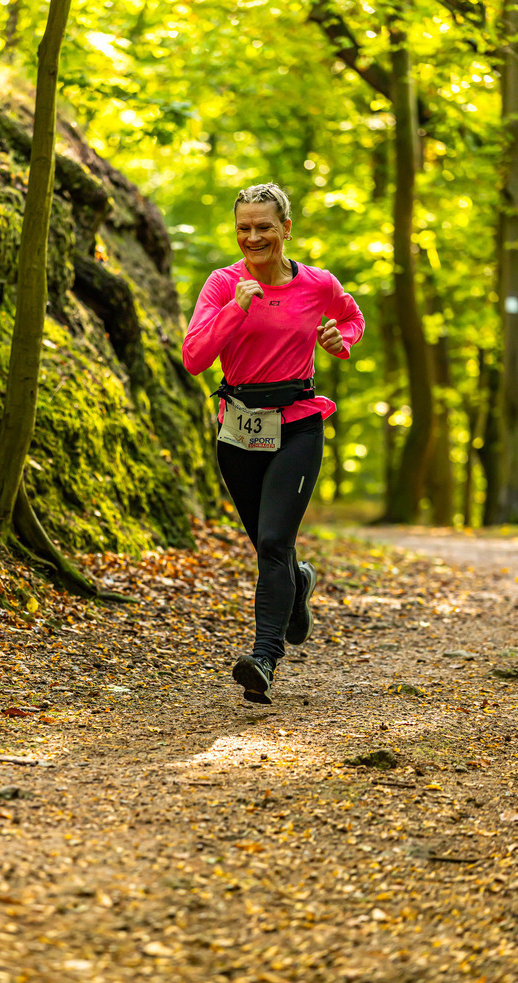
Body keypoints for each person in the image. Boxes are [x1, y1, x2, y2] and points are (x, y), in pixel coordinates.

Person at [183, 182, 364, 705]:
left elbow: (351, 318)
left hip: (297, 424)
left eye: (264, 227)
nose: (253, 237)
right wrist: (233, 311)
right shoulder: (222, 285)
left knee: (272, 543)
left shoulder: (317, 283)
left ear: (286, 228)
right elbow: (194, 358)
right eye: (244, 228)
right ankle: (299, 584)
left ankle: (263, 658)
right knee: (268, 545)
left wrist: (341, 341)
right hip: (238, 429)